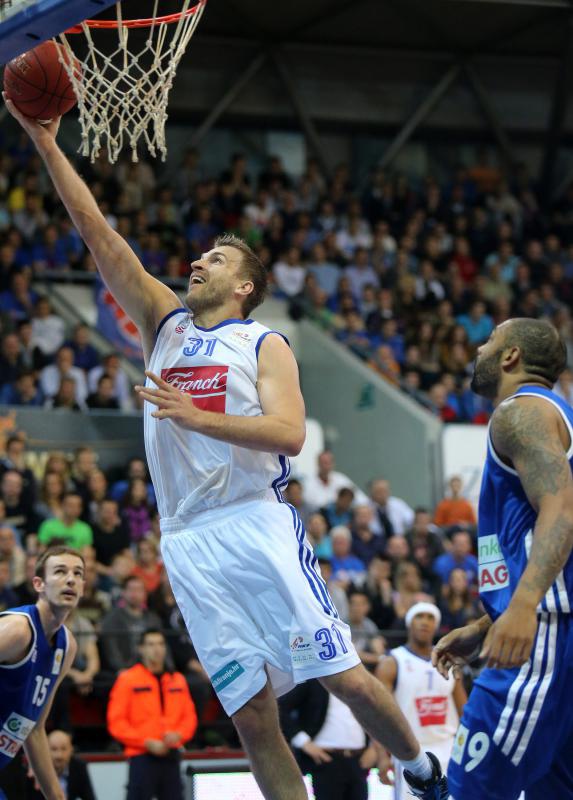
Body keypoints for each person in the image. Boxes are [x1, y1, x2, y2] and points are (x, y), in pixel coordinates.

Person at [7, 99, 448, 800]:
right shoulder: (164, 324)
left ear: (244, 286)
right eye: (199, 253)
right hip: (186, 541)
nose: (196, 260)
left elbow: (289, 435)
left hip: (253, 523)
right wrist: (45, 143)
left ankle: (425, 773)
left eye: (215, 258)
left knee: (340, 674)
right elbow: (96, 233)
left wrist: (196, 415)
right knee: (249, 717)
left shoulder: (262, 343)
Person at [432, 318, 573, 800]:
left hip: (544, 633)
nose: (479, 345)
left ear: (511, 356)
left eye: (490, 339)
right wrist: (488, 621)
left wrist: (521, 608)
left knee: (471, 791)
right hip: (551, 627)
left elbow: (562, 511)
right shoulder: (555, 415)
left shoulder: (521, 413)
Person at [0, 545, 84, 800]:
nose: (71, 579)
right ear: (39, 584)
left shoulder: (67, 647)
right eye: (60, 571)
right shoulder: (18, 630)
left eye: (78, 573)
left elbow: (35, 730)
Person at [377, 603, 466, 800]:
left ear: (436, 625)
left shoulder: (449, 661)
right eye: (420, 616)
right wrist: (382, 755)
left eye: (430, 617)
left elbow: (465, 713)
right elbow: (378, 715)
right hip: (411, 751)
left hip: (449, 748)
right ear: (409, 623)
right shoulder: (392, 662)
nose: (425, 622)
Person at [107, 628, 198, 800]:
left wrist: (179, 735)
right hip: (141, 756)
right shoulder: (128, 679)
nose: (156, 649)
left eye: (160, 644)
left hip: (171, 754)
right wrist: (145, 742)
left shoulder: (177, 679)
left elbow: (189, 718)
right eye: (150, 644)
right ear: (141, 648)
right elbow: (116, 722)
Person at [25, 729, 96, 800]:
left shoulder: (79, 767)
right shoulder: (34, 768)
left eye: (64, 749)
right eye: (54, 749)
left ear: (71, 749)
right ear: (45, 749)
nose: (59, 755)